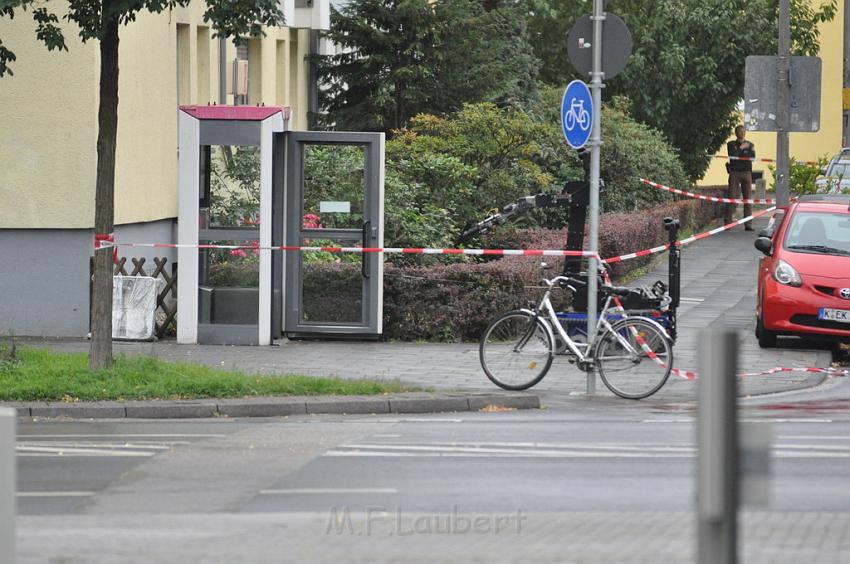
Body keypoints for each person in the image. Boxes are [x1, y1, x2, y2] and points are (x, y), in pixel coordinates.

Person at [725, 125, 755, 231]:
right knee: (732, 197)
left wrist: (743, 154)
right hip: (735, 173)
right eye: (740, 131)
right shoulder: (731, 144)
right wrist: (741, 148)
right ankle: (728, 222)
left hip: (747, 172)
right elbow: (733, 156)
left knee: (748, 199)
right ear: (736, 133)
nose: (742, 133)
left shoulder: (750, 144)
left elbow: (752, 157)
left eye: (743, 131)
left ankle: (748, 224)